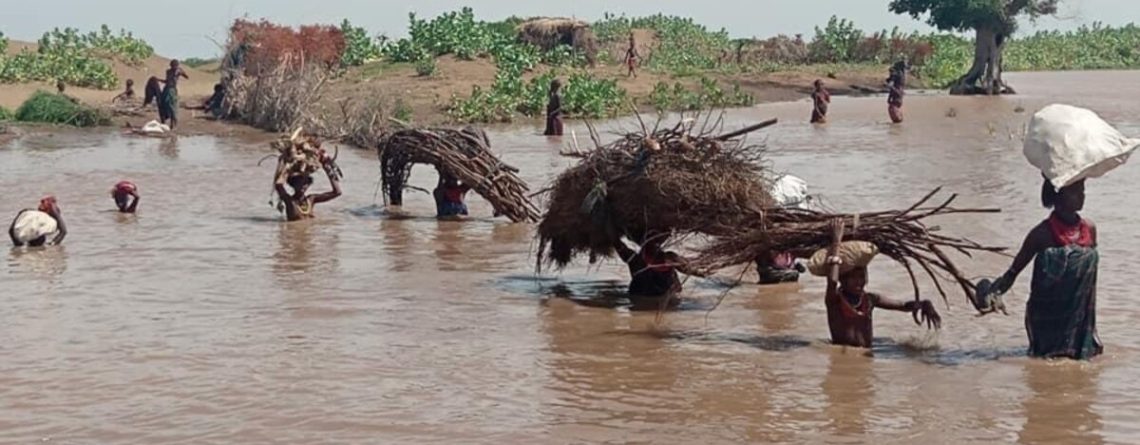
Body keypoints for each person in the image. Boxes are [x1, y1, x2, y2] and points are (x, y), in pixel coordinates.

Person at [973, 179, 1102, 360]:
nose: (1082, 196)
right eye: (1075, 191)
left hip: (1079, 319)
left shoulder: (1089, 229)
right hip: (1046, 317)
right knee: (1047, 361)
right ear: (1058, 196)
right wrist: (994, 293)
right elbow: (1013, 272)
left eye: (1083, 190)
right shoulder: (1041, 234)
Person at [822, 220, 940, 348]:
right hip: (843, 359)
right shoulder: (835, 300)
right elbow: (832, 282)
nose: (859, 281)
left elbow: (902, 305)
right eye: (853, 278)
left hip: (867, 357)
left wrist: (923, 304)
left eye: (862, 276)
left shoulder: (869, 299)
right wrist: (836, 242)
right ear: (842, 279)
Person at [611, 234, 700, 306]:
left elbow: (618, 245)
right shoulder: (638, 261)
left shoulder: (636, 261)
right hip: (655, 298)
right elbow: (687, 271)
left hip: (642, 298)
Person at [274, 156, 341, 222]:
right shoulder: (290, 201)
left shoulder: (311, 199)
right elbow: (278, 185)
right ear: (293, 185)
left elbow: (337, 192)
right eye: (299, 183)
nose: (302, 186)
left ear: (308, 184)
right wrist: (286, 168)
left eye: (305, 183)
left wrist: (327, 169)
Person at [158, 60, 189, 129]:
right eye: (173, 66)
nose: (174, 67)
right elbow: (167, 81)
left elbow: (187, 77)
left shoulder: (178, 71)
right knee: (163, 104)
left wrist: (180, 73)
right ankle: (164, 121)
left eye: (175, 66)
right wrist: (159, 80)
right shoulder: (168, 71)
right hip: (166, 89)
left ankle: (173, 123)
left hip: (172, 90)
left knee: (172, 106)